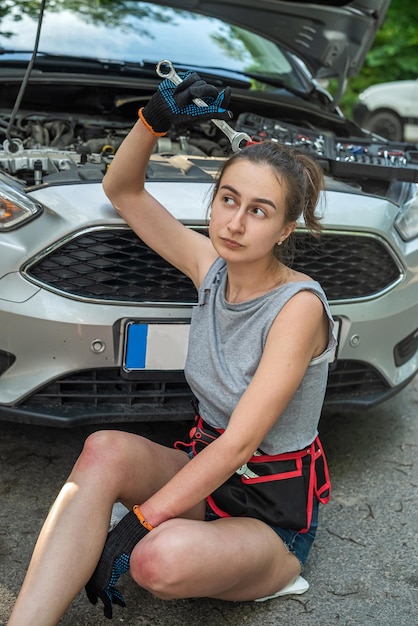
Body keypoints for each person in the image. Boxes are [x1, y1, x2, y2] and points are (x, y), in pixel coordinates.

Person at [8, 72, 337, 625]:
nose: (234, 223)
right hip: (204, 478)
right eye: (228, 200)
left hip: (269, 513)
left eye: (258, 211)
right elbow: (123, 191)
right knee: (104, 449)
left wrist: (136, 523)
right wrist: (151, 120)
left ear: (285, 230)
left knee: (155, 561)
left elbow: (239, 445)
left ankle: (278, 574)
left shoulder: (299, 307)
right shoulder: (209, 268)